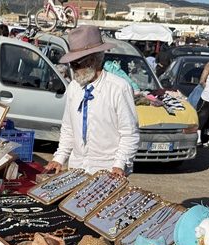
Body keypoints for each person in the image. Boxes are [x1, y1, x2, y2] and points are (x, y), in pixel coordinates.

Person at [44, 26, 139, 177]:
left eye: (77, 63)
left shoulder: (119, 88)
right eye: (71, 63)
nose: (73, 68)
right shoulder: (73, 88)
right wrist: (59, 158)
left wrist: (119, 164)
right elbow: (69, 129)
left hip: (109, 170)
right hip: (77, 168)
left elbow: (129, 133)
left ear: (93, 60)